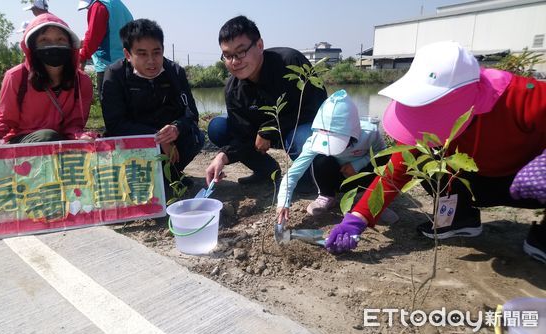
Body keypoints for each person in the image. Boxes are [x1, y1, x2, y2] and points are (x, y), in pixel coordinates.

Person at [324, 41, 546, 264]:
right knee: (424, 166)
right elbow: (397, 170)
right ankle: (460, 218)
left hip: (528, 184)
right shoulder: (423, 124)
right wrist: (358, 217)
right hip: (473, 178)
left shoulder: (521, 98)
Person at [205, 15, 327, 187]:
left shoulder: (291, 62)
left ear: (260, 45)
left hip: (295, 128)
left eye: (241, 52)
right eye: (227, 55)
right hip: (260, 138)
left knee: (302, 137)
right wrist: (223, 156)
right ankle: (267, 170)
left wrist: (269, 130)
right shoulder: (233, 89)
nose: (235, 61)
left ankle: (310, 178)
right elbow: (242, 134)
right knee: (219, 127)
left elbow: (318, 106)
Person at [0, 13, 94, 161]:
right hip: (24, 141)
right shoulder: (16, 76)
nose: (53, 45)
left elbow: (74, 124)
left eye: (61, 39)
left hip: (61, 142)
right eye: (44, 40)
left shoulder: (82, 81)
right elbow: (4, 118)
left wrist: (80, 136)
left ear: (71, 46)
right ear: (32, 47)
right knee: (48, 136)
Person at [101, 18, 204, 184]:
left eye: (156, 52)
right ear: (128, 54)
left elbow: (191, 114)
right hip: (134, 140)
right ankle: (144, 179)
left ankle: (171, 175)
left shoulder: (175, 72)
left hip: (169, 138)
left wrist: (176, 128)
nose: (151, 61)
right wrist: (156, 137)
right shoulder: (114, 76)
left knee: (196, 137)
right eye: (142, 54)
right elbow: (115, 124)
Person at [276, 89, 398, 224]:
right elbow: (293, 174)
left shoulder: (370, 133)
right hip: (335, 178)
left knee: (382, 160)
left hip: (360, 176)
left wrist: (357, 165)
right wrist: (283, 202)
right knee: (320, 159)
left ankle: (370, 199)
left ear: (353, 133)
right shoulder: (313, 141)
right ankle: (327, 195)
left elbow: (382, 154)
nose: (330, 150)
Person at [77, 0, 133, 97]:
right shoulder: (118, 5)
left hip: (108, 67)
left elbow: (93, 36)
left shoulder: (98, 6)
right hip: (128, 64)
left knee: (109, 106)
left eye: (87, 7)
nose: (88, 9)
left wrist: (82, 57)